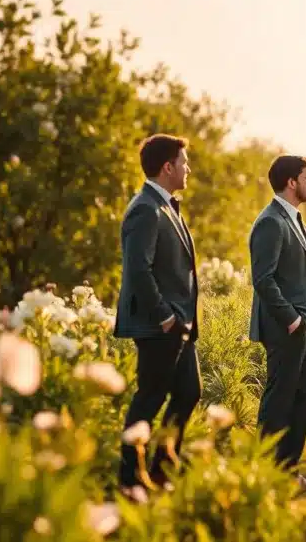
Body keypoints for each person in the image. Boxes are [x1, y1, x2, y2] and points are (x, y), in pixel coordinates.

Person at [114, 133, 201, 501]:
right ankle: (129, 479)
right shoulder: (145, 209)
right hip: (160, 325)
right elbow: (138, 269)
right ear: (168, 167)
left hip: (178, 325)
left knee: (189, 393)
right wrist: (164, 316)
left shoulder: (164, 205)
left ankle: (162, 470)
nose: (188, 169)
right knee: (150, 397)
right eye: (184, 163)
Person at [248, 154, 306, 491]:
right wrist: (293, 320)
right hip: (288, 326)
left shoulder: (296, 219)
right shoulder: (270, 222)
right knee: (279, 399)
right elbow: (263, 280)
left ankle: (288, 471)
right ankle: (265, 476)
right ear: (290, 182)